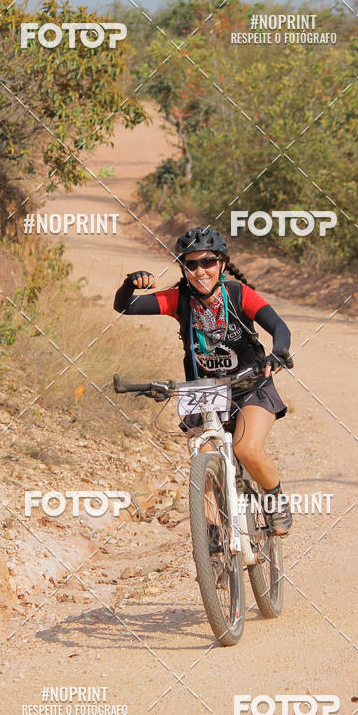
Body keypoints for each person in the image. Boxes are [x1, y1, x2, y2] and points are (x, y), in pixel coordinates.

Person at [113, 225, 293, 535]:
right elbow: (124, 306)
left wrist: (277, 353)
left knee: (246, 449)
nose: (200, 270)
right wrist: (130, 283)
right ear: (183, 267)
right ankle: (214, 542)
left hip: (250, 385)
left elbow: (279, 327)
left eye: (208, 261)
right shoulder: (178, 299)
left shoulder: (238, 294)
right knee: (204, 462)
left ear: (222, 263)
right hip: (204, 390)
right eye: (191, 263)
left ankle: (275, 502)